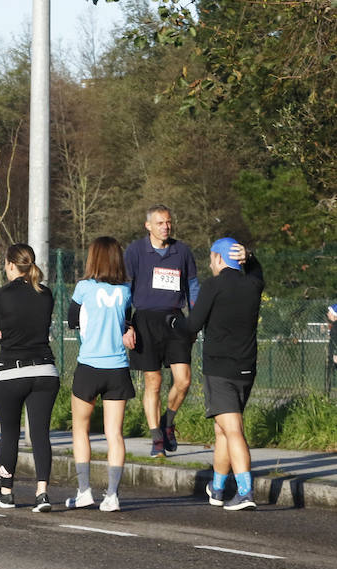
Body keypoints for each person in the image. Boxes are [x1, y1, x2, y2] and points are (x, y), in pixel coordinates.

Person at [190, 238, 265, 510]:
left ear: (219, 259)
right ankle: (218, 488)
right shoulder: (253, 285)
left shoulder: (213, 286)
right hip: (246, 369)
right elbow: (257, 271)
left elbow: (193, 325)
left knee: (232, 429)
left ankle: (245, 491)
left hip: (219, 369)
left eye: (211, 258)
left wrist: (172, 324)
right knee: (221, 429)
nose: (210, 263)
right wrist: (251, 257)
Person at [65, 236, 135, 512]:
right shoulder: (126, 291)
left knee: (80, 429)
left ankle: (84, 491)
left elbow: (72, 321)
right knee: (114, 434)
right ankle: (112, 496)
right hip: (117, 368)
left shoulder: (84, 287)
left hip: (89, 366)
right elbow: (126, 322)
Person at [0, 243, 58, 511]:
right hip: (45, 370)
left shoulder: (0, 295)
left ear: (9, 264)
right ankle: (42, 493)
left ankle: (6, 492)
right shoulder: (46, 293)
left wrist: (5, 333)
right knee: (40, 433)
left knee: (9, 432)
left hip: (11, 372)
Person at [124, 205, 198, 457]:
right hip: (145, 320)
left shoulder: (182, 251)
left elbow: (193, 286)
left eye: (168, 222)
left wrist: (195, 319)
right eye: (160, 223)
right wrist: (126, 324)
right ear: (148, 226)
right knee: (152, 382)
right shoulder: (135, 251)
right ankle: (157, 437)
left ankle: (168, 421)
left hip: (176, 320)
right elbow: (125, 290)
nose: (165, 227)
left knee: (184, 380)